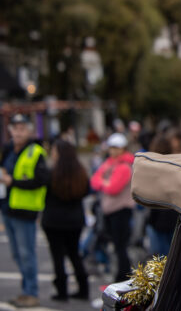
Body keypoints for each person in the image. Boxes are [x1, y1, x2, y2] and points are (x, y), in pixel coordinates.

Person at [0, 114, 49, 308]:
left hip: (25, 211)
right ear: (10, 130)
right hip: (8, 207)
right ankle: (25, 290)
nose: (18, 132)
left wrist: (14, 182)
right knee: (17, 254)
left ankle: (31, 292)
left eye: (22, 128)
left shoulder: (35, 151)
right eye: (15, 128)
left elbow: (41, 180)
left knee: (27, 254)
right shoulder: (8, 149)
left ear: (29, 130)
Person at [41, 139, 90, 301]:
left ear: (59, 154)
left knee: (58, 257)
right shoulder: (81, 172)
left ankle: (62, 291)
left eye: (54, 151)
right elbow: (86, 192)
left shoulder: (52, 173)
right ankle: (84, 289)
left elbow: (45, 194)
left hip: (53, 221)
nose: (52, 154)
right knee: (74, 254)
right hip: (75, 221)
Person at [90, 133, 135, 282]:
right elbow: (94, 180)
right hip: (110, 210)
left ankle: (123, 277)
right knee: (115, 246)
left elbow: (113, 188)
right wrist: (105, 182)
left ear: (123, 148)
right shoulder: (110, 163)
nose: (113, 150)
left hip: (121, 210)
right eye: (111, 147)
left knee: (120, 247)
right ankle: (120, 275)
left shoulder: (124, 166)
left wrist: (104, 182)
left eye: (116, 147)